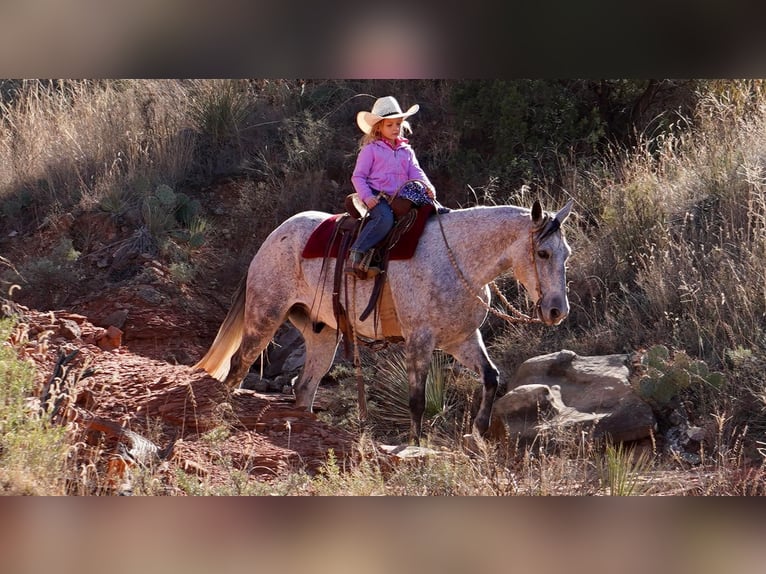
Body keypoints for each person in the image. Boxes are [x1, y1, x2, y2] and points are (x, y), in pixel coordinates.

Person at [346, 95, 439, 276]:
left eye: (398, 124)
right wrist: (367, 196)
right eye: (390, 125)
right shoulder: (370, 150)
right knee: (385, 219)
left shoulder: (406, 151)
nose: (395, 128)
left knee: (428, 211)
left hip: (401, 195)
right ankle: (357, 252)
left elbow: (416, 172)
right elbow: (358, 176)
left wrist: (428, 186)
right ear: (379, 128)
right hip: (378, 195)